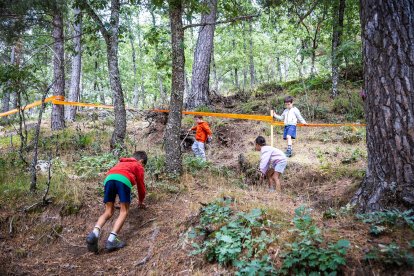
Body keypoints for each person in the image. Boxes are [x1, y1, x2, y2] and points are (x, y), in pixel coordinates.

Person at [86, 151, 147, 253]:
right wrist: (141, 201)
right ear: (141, 161)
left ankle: (95, 233)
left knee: (108, 211)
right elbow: (141, 186)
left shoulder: (121, 163)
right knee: (124, 211)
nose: (143, 167)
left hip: (109, 179)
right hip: (123, 179)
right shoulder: (138, 165)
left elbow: (111, 173)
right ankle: (111, 240)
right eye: (143, 165)